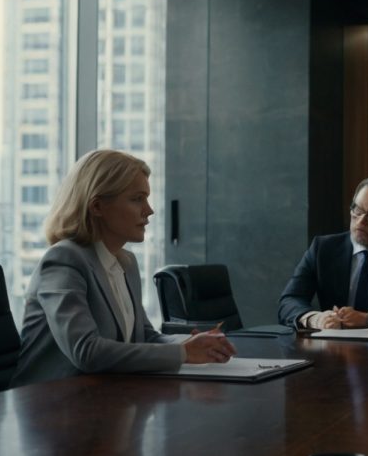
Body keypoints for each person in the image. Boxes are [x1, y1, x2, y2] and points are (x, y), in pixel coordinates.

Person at [12, 150, 236, 386]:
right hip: (49, 405)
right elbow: (86, 351)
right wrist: (183, 353)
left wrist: (191, 344)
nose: (148, 210)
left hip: (104, 395)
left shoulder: (125, 262)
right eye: (137, 198)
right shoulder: (63, 260)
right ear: (97, 206)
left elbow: (145, 337)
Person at [278, 175, 368, 329]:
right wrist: (313, 319)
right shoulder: (323, 249)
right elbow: (290, 300)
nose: (361, 221)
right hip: (330, 344)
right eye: (357, 210)